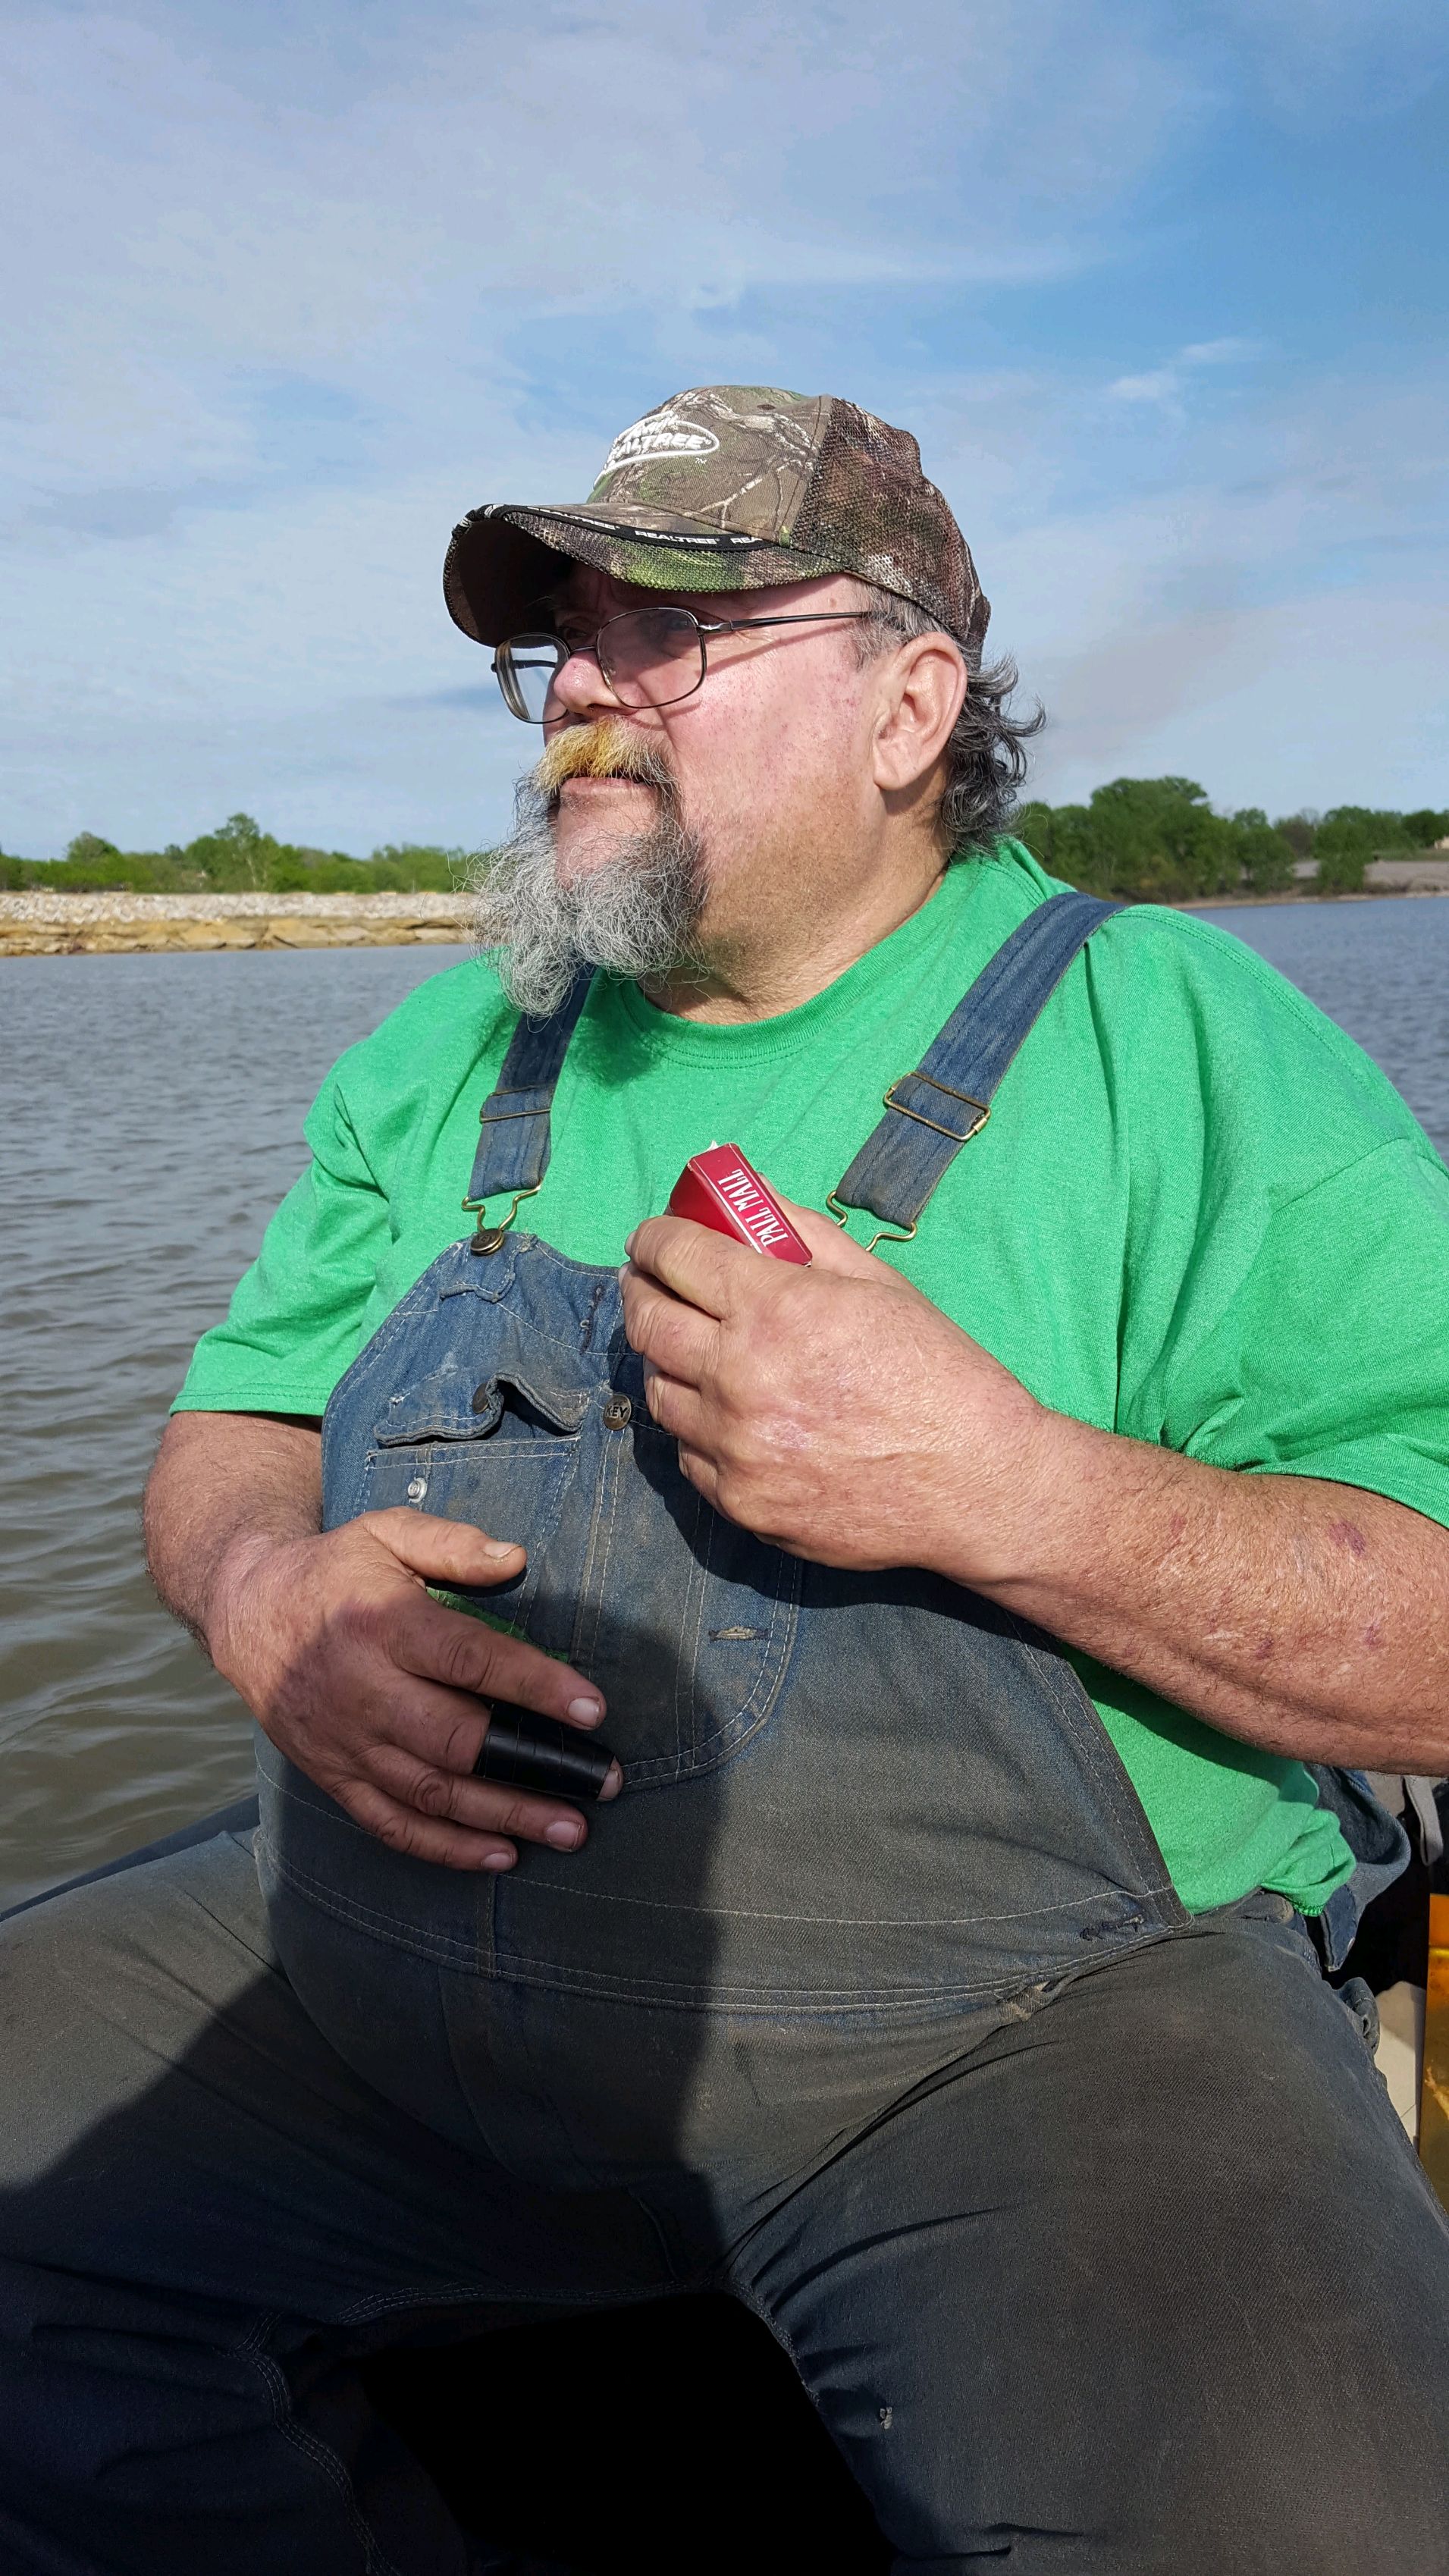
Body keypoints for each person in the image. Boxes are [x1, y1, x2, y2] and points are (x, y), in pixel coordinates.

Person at [2, 382, 1447, 2576]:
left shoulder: (1181, 1047)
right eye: (565, 634)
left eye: (670, 627)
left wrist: (1016, 1489)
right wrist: (261, 1603)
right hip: (380, 1977)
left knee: (1321, 2527)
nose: (584, 690)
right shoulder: (446, 1055)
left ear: (909, 707)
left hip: (1018, 2042)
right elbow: (235, 1433)